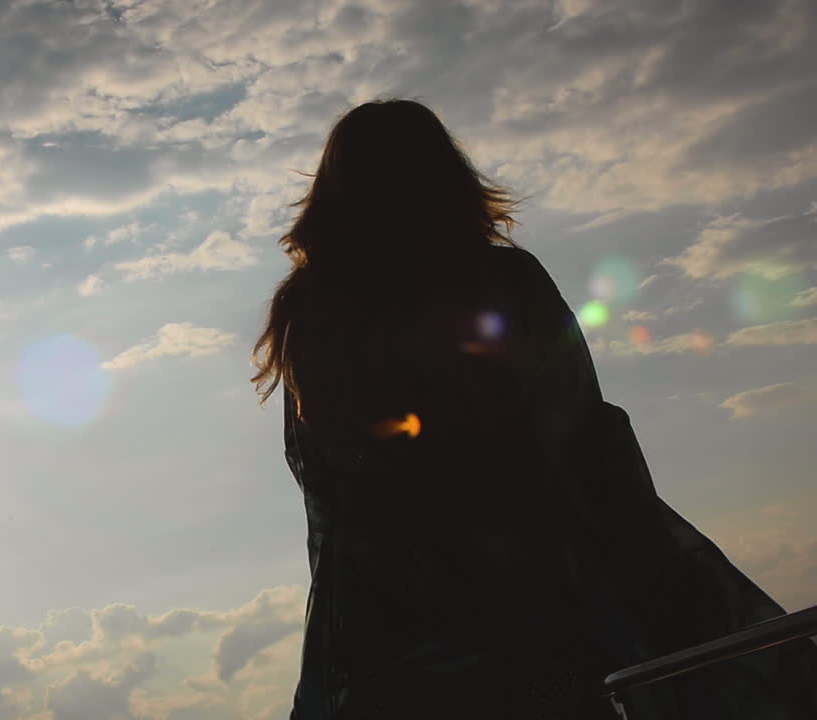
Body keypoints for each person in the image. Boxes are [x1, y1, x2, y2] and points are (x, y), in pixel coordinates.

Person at [252, 98, 817, 719]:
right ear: (447, 180)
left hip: (389, 631)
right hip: (530, 604)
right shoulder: (501, 280)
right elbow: (583, 432)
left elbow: (326, 481)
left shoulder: (313, 312)